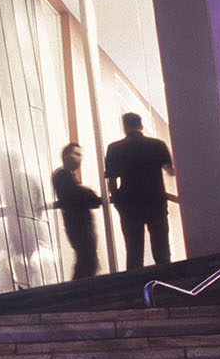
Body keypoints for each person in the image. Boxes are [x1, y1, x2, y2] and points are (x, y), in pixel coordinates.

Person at [103, 112, 175, 271]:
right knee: (161, 246)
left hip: (130, 202)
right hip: (155, 199)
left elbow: (112, 179)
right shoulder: (157, 145)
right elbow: (170, 170)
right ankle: (166, 279)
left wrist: (117, 202)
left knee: (134, 250)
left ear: (125, 127)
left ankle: (135, 287)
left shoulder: (114, 148)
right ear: (141, 125)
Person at [50, 141, 104, 281]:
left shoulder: (66, 176)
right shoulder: (63, 175)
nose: (80, 158)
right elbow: (79, 194)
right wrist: (91, 194)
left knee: (87, 259)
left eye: (81, 155)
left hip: (79, 224)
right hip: (78, 224)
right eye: (77, 154)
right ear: (66, 155)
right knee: (87, 260)